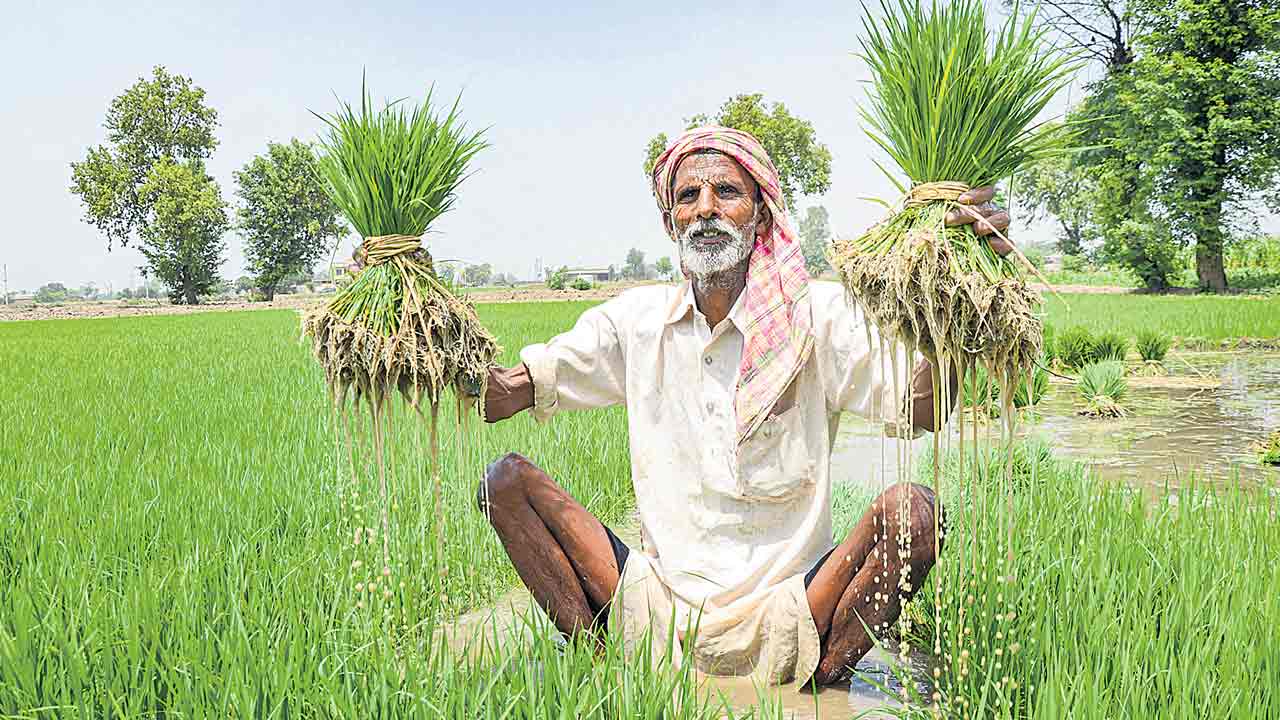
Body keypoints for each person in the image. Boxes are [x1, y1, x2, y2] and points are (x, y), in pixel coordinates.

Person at [478, 127, 1013, 687]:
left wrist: (962, 287)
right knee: (504, 482)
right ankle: (610, 673)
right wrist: (408, 331)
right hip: (658, 603)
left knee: (916, 513)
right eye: (688, 196)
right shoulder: (634, 325)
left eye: (727, 193)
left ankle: (819, 686)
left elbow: (920, 409)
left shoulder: (815, 318)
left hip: (796, 607)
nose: (706, 209)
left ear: (759, 213)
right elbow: (507, 391)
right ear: (671, 220)